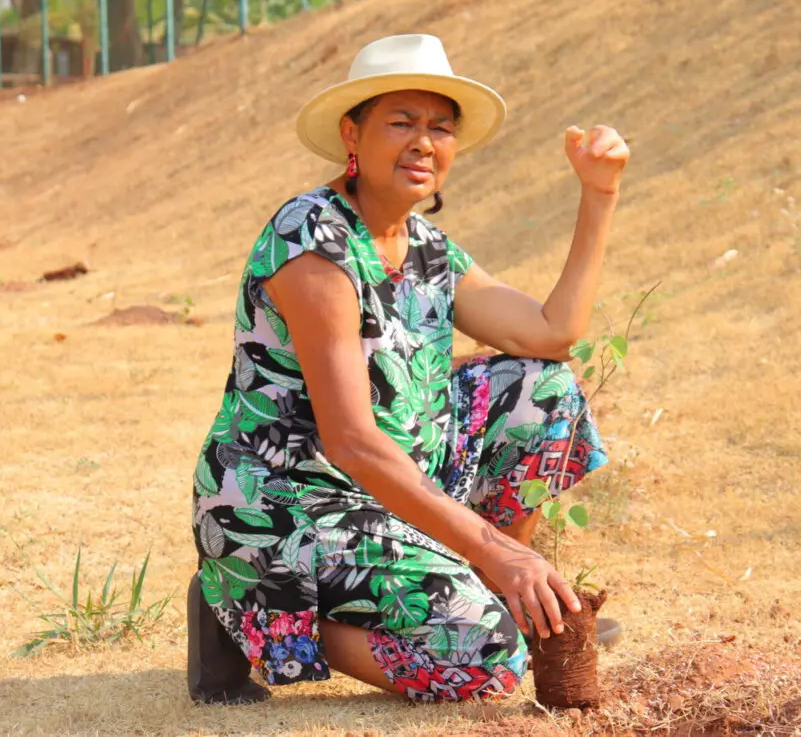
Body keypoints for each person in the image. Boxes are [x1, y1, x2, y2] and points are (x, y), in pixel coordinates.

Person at [188, 34, 628, 705]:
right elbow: (351, 443)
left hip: (391, 488)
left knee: (541, 386)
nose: (423, 142)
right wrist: (496, 550)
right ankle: (245, 618)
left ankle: (496, 595)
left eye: (439, 128)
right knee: (486, 663)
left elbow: (550, 334)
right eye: (401, 122)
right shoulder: (313, 242)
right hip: (289, 506)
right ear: (351, 135)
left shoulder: (426, 248)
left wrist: (598, 195)